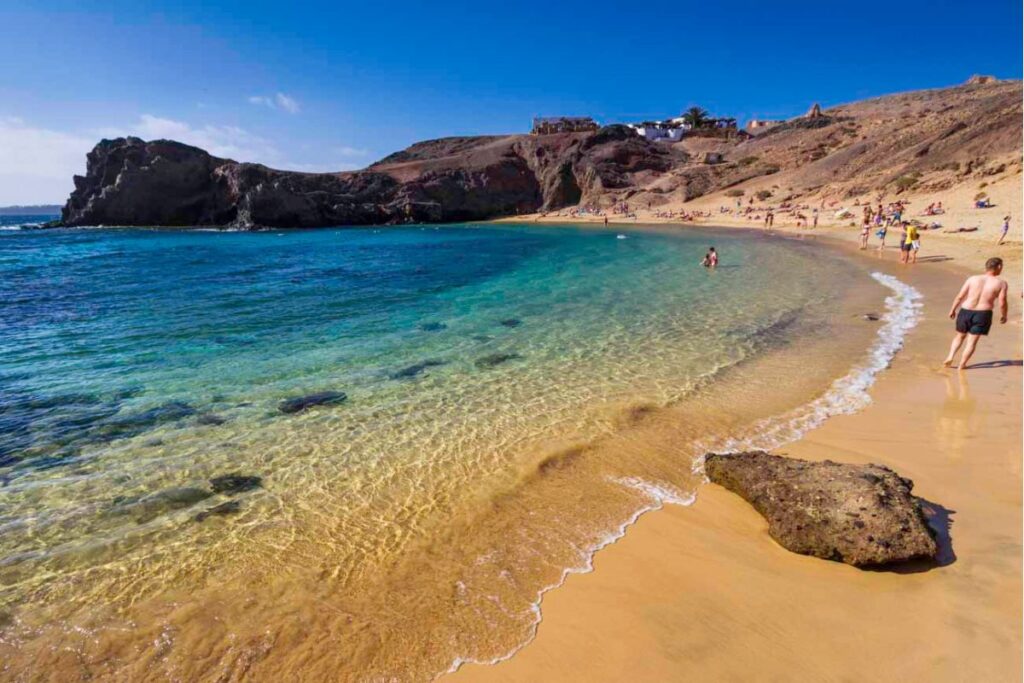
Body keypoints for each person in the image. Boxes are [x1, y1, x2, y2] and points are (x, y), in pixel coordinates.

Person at [943, 257, 1009, 370]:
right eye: (1001, 266)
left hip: (966, 310)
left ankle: (950, 356)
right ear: (998, 267)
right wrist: (1004, 315)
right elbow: (1002, 302)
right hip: (983, 313)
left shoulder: (972, 279)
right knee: (972, 341)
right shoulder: (1001, 283)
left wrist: (953, 309)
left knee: (960, 336)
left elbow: (960, 296)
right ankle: (962, 365)